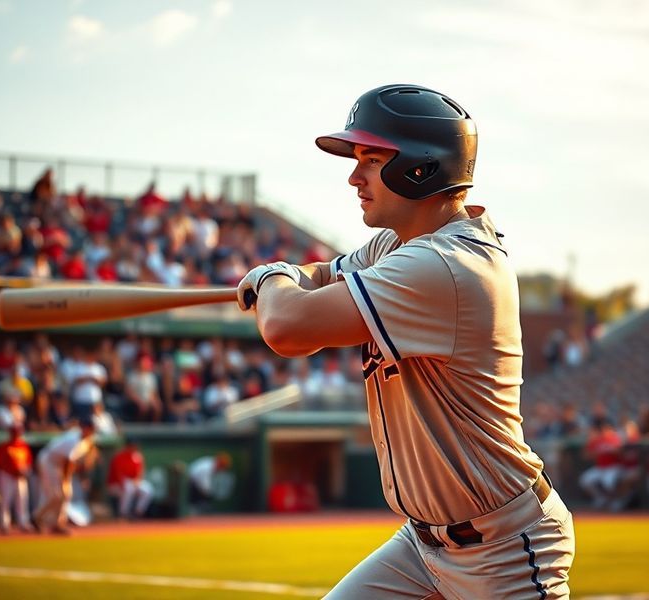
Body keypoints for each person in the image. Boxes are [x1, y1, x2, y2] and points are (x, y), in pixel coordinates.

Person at [236, 84, 574, 598]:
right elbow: (319, 277)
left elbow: (288, 328)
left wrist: (271, 279)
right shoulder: (398, 245)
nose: (354, 176)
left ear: (420, 166)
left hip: (504, 550)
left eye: (370, 160)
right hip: (421, 546)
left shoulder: (443, 265)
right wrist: (284, 278)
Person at [32, 417, 96, 535]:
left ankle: (56, 523)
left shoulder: (87, 441)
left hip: (58, 464)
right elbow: (69, 462)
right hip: (49, 461)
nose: (90, 430)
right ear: (82, 427)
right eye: (88, 428)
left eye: (92, 428)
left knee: (65, 494)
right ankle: (39, 518)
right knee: (56, 494)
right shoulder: (74, 439)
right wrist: (65, 480)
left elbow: (91, 452)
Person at [0, 424, 33, 534]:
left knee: (22, 500)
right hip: (7, 476)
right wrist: (13, 471)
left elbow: (29, 461)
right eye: (15, 432)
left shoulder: (24, 446)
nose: (17, 435)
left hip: (20, 477)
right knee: (5, 500)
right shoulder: (5, 446)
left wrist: (25, 471)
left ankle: (23, 523)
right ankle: (4, 524)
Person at [106, 440, 153, 520]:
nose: (134, 448)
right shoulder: (119, 457)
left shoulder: (138, 457)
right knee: (128, 488)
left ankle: (138, 513)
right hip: (115, 485)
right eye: (132, 446)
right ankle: (123, 514)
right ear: (127, 447)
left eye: (135, 447)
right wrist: (127, 485)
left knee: (147, 490)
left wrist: (137, 482)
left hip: (132, 483)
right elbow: (118, 475)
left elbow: (139, 474)